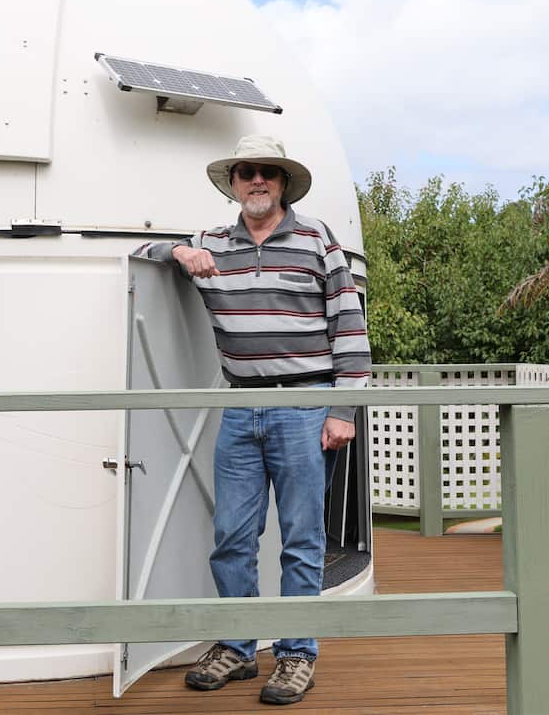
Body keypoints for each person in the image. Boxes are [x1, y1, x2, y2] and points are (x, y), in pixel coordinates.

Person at [134, 134, 371, 706]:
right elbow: (143, 255)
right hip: (239, 406)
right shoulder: (213, 241)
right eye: (247, 172)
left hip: (303, 404)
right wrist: (178, 253)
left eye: (268, 171)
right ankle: (238, 646)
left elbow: (350, 326)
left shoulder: (317, 239)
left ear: (283, 181)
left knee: (301, 537)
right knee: (232, 535)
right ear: (233, 183)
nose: (257, 180)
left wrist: (343, 409)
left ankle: (295, 654)